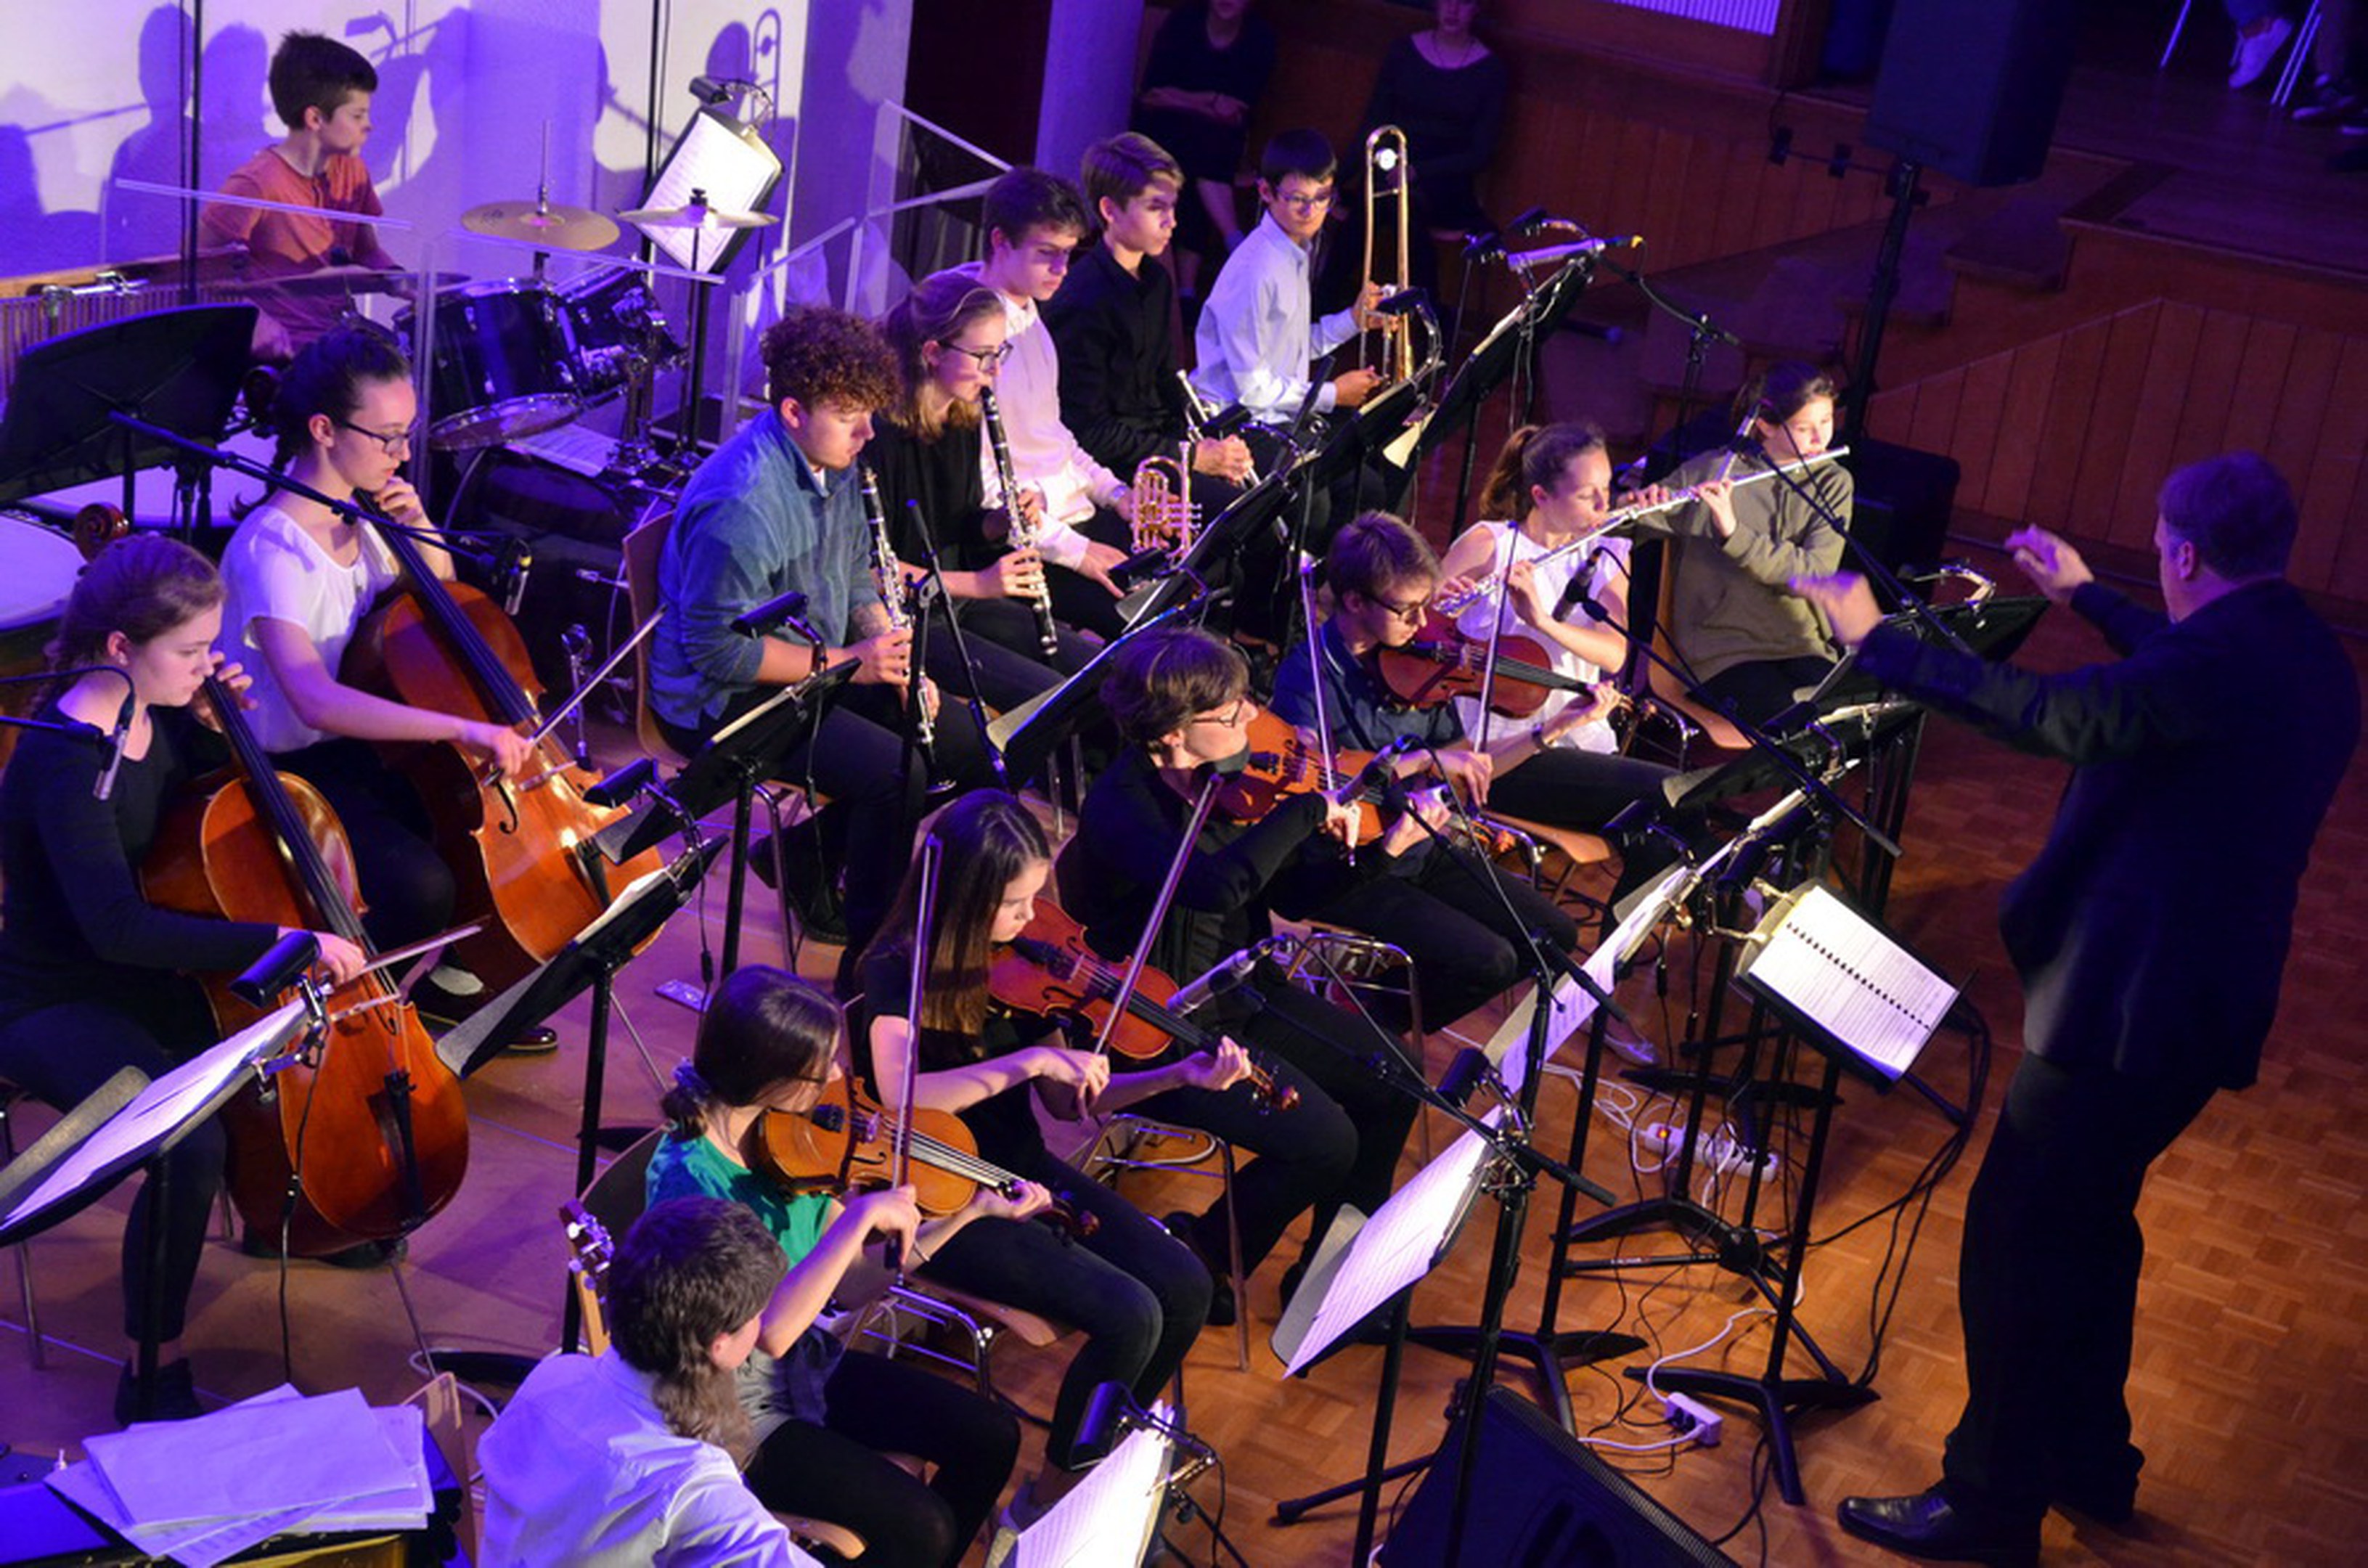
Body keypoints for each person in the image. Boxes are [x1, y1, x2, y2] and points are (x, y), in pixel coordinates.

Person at [1795, 452, 2359, 1563]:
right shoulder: (2303, 648)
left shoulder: (2213, 667)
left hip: (2124, 1010)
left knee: (2017, 1242)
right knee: (2089, 1231)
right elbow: (2181, 666)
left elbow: (2055, 716)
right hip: (2201, 1001)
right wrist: (2084, 594)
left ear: (2182, 553)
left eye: (2156, 545)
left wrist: (1876, 640)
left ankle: (1990, 1502)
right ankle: (2090, 1462)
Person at [0, 536, 367, 1424]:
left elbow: (201, 827)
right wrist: (282, 939)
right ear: (118, 648)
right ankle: (148, 1366)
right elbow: (117, 928)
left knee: (269, 1047)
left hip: (140, 978)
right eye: (192, 652)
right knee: (187, 1141)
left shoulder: (155, 712)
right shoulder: (65, 762)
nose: (210, 666)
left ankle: (297, 1213)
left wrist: (212, 728)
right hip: (51, 997)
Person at [857, 791, 1230, 1523]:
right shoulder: (896, 967)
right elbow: (901, 1094)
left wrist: (1176, 1075)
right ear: (965, 897)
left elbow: (1069, 1103)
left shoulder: (1026, 963)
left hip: (1023, 1174)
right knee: (1129, 1315)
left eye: (1034, 898)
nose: (1031, 919)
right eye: (1013, 904)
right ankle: (1053, 1500)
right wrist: (1025, 1063)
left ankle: (1104, 1449)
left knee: (1185, 1284)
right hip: (944, 1197)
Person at [1062, 629, 1424, 1302]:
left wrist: (1376, 856)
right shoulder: (1124, 806)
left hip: (1242, 992)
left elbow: (1287, 897)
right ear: (1173, 732)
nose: (1251, 718)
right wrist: (1307, 809)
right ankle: (1207, 1254)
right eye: (1231, 713)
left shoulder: (1230, 782)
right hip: (1159, 1027)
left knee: (1397, 1080)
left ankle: (1337, 1276)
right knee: (1326, 1142)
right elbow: (1214, 887)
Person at [215, 324, 551, 1047]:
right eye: (389, 437)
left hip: (357, 752)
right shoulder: (274, 547)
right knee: (419, 885)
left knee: (473, 840)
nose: (402, 454)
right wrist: (462, 727)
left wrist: (421, 526)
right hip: (285, 770)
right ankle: (335, 1029)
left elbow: (441, 601)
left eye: (407, 436)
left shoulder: (367, 516)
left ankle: (450, 991)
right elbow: (314, 698)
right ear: (324, 430)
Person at [646, 967, 1028, 1568]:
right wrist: (859, 1218)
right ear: (768, 1074)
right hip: (729, 1413)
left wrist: (968, 1215)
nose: (835, 1078)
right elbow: (771, 1331)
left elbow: (850, 1286)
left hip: (803, 1372)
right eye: (819, 1067)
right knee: (922, 1528)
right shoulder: (691, 1182)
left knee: (990, 1435)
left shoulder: (793, 1141)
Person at [648, 305, 989, 973]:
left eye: (869, 412)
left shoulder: (834, 463)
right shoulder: (742, 504)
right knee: (898, 775)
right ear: (793, 412)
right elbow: (719, 652)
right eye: (848, 415)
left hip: (814, 663)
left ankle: (807, 858)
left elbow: (857, 575)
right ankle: (870, 967)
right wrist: (852, 662)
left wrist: (893, 656)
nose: (868, 432)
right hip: (719, 700)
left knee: (963, 745)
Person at [1266, 511, 1674, 1040]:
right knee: (1490, 960)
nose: (1423, 623)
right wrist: (1421, 763)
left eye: (1425, 605)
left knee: (1553, 934)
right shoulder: (1307, 678)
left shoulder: (1418, 662)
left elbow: (1466, 768)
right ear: (1355, 602)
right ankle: (1362, 1030)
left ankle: (1368, 1009)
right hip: (1354, 864)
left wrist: (1550, 730)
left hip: (1422, 844)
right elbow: (1321, 786)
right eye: (1407, 610)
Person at [478, 1196, 820, 1567]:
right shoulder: (687, 1482)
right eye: (757, 1315)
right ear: (718, 1345)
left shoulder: (555, 1374)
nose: (759, 1327)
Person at [867, 269, 1098, 697]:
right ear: (933, 353)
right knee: (1052, 696)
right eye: (984, 356)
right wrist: (980, 584)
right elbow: (871, 570)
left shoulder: (964, 416)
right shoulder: (876, 436)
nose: (996, 372)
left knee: (1095, 671)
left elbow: (960, 526)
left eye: (1000, 353)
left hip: (961, 600)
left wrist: (999, 522)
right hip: (911, 619)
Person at [950, 168, 1137, 640]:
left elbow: (1054, 435)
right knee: (1140, 616)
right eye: (1047, 253)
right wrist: (1076, 551)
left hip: (1071, 515)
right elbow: (986, 487)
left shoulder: (1031, 314)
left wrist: (1115, 492)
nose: (1062, 269)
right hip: (1028, 539)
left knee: (1188, 569)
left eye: (1068, 254)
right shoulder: (972, 338)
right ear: (1000, 241)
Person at [1634, 361, 1851, 730]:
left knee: (1848, 717)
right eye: (1804, 428)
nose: (1820, 439)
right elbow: (1630, 525)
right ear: (1765, 425)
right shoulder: (1713, 471)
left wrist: (1735, 535)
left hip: (1799, 642)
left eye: (1827, 421)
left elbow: (1815, 572)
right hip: (1720, 651)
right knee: (1790, 725)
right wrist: (1634, 506)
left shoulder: (1833, 481)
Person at [1042, 132, 1255, 500]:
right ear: (1110, 210)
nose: (1172, 222)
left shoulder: (1156, 280)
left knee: (1266, 483)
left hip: (1161, 442)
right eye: (1157, 208)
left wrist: (1213, 445)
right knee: (1234, 508)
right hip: (1119, 464)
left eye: (1172, 207)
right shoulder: (1081, 299)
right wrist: (1191, 457)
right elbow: (1088, 431)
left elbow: (1168, 381)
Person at [200, 30, 399, 357]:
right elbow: (192, 264)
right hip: (287, 353)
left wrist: (405, 283)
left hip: (340, 337)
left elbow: (367, 252)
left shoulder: (354, 170)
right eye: (358, 115)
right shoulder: (258, 183)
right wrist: (255, 317)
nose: (369, 125)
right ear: (315, 118)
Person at [1191, 129, 1384, 428]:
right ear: (1266, 192)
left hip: (1270, 414)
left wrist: (1354, 320)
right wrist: (1332, 394)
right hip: (1234, 425)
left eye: (1322, 198)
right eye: (1298, 199)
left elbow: (1289, 349)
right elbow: (1253, 390)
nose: (1312, 211)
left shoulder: (1295, 250)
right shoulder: (1256, 269)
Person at [1131, 0, 1279, 302]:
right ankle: (1230, 250)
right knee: (1196, 153)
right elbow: (1152, 94)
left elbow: (1237, 109)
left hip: (1217, 144)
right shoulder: (1183, 22)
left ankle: (1184, 291)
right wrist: (1209, 101)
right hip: (1164, 130)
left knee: (1199, 156)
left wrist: (1186, 99)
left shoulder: (1259, 37)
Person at [1359, 0, 1509, 275]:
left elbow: (1481, 153)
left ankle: (1421, 298)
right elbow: (1373, 123)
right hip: (1394, 167)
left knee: (1405, 205)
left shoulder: (1491, 70)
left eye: (1463, 2)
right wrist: (1337, 177)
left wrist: (1418, 171)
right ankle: (1332, 298)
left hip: (1447, 181)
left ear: (1476, 8)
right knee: (1370, 205)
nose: (1453, 9)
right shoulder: (1403, 51)